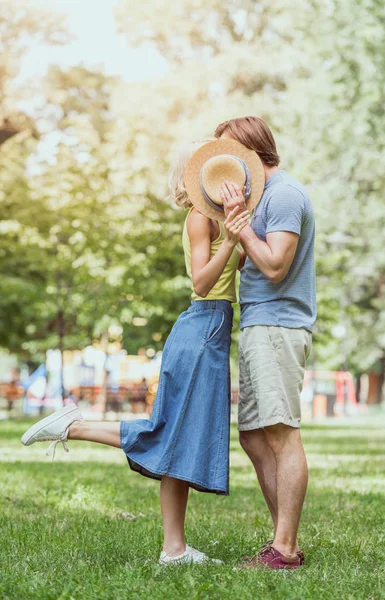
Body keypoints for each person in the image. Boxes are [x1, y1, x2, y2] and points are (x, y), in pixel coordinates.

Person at [20, 138, 263, 566]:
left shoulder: (215, 221)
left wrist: (240, 229)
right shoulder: (198, 221)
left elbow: (232, 269)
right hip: (203, 326)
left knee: (179, 440)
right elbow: (203, 283)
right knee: (169, 434)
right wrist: (231, 238)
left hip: (211, 329)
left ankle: (174, 549)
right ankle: (74, 426)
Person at [215, 116, 316, 570]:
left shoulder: (285, 194)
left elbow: (274, 266)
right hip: (258, 324)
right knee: (254, 438)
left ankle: (285, 549)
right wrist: (233, 224)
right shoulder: (260, 199)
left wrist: (242, 228)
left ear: (251, 153)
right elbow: (246, 264)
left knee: (280, 433)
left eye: (228, 155)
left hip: (279, 326)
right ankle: (283, 542)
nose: (222, 167)